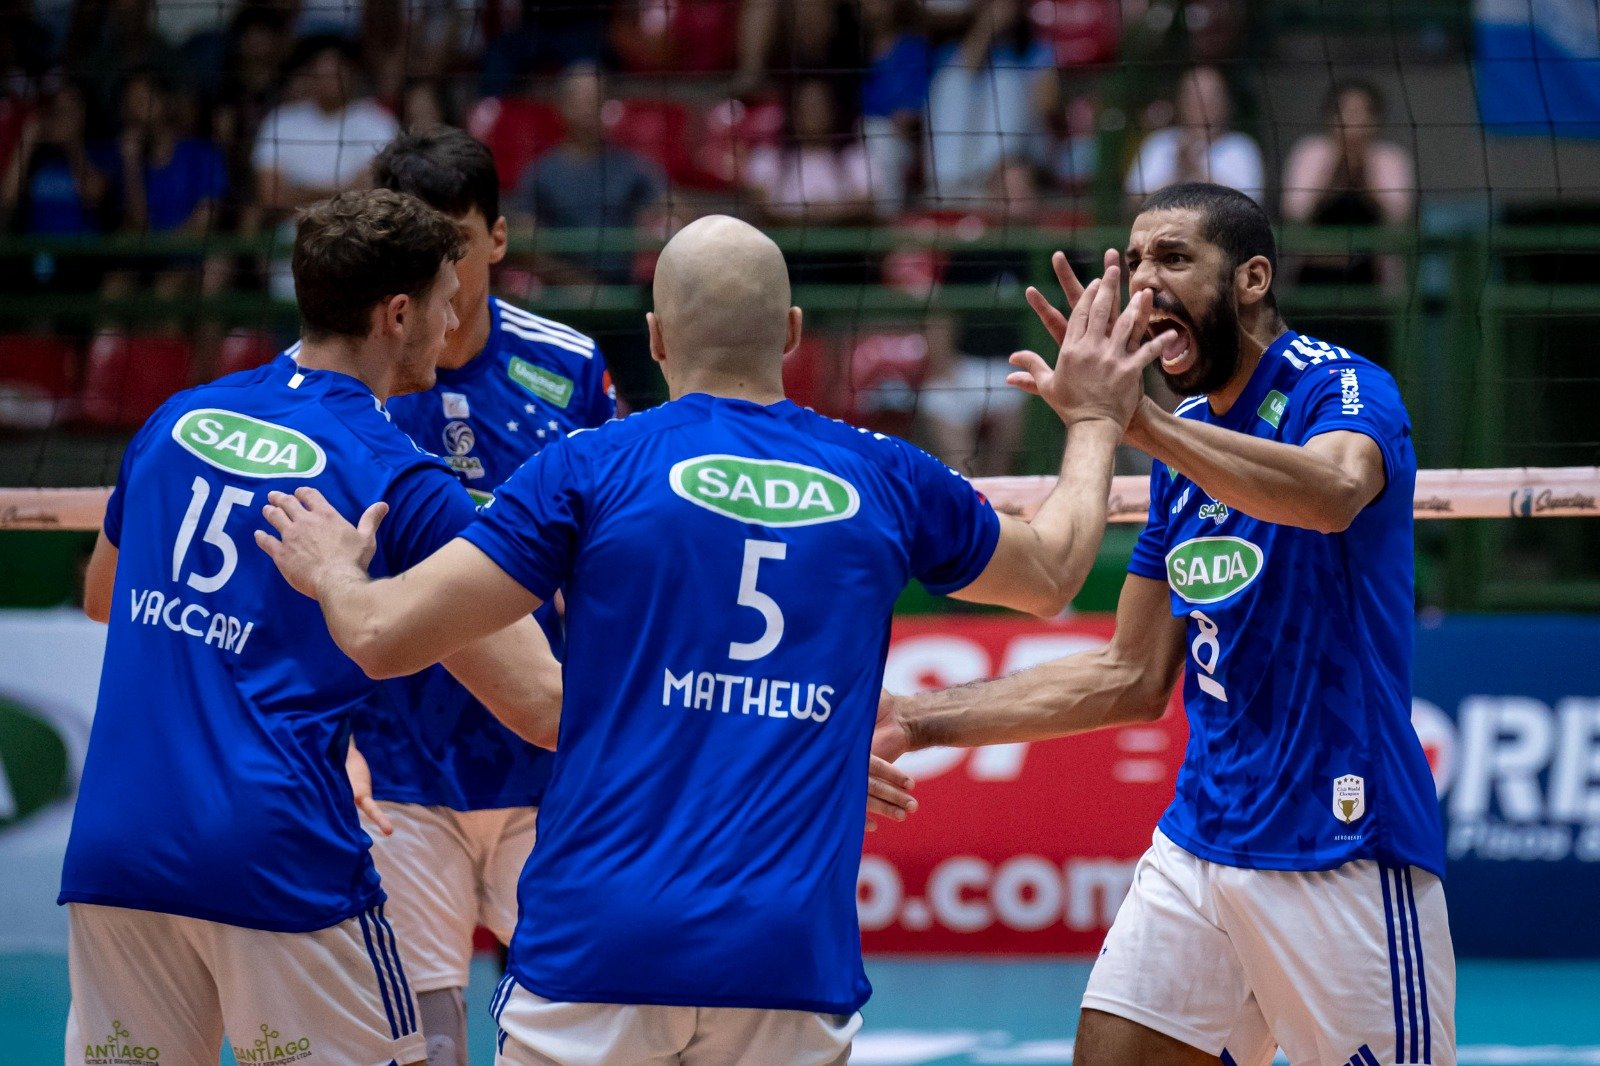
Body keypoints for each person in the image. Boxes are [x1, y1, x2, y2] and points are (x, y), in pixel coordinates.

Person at [257, 213, 1175, 1064]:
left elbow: (383, 637)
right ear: (792, 333)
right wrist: (1095, 420)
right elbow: (1056, 573)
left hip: (596, 952)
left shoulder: (584, 469)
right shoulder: (887, 475)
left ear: (656, 339)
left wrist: (334, 570)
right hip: (784, 961)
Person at [874, 182, 1455, 1065]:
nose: (1145, 282)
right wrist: (917, 719)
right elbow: (1130, 675)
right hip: (1201, 843)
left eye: (1175, 258)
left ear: (1251, 278)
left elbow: (1333, 492)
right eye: (1136, 259)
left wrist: (1132, 419)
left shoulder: (1338, 385)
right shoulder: (1182, 444)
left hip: (1342, 842)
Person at [59, 188, 563, 1066]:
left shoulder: (176, 418)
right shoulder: (400, 483)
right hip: (277, 859)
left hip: (117, 848)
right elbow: (541, 702)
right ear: (397, 314)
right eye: (447, 300)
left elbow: (103, 597)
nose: (455, 321)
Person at [361, 126, 615, 1066]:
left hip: (542, 764)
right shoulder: (350, 377)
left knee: (569, 1028)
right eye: (415, 243)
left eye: (456, 243)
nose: (440, 269)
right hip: (400, 764)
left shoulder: (570, 366)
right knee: (423, 1044)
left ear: (497, 239)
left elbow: (615, 558)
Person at [509, 63, 664, 284]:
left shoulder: (633, 167)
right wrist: (574, 282)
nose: (589, 107)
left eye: (596, 99)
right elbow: (524, 242)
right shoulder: (541, 173)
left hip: (624, 291)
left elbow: (668, 211)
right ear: (561, 105)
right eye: (580, 99)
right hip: (560, 293)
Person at [252, 35, 400, 211]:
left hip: (359, 222)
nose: (328, 79)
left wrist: (301, 191)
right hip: (293, 223)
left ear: (352, 73)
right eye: (321, 71)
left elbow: (376, 190)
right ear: (309, 75)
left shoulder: (379, 121)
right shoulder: (281, 120)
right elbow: (271, 195)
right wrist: (345, 190)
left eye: (335, 71)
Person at [1125, 66, 1263, 205]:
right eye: (1195, 97)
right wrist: (1178, 173)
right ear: (1180, 101)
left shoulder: (1242, 147)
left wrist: (1196, 171)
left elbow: (1249, 204)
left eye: (1212, 97)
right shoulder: (1159, 143)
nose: (1204, 105)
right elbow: (1134, 201)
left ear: (1226, 102)